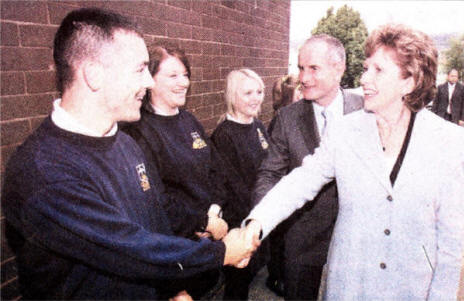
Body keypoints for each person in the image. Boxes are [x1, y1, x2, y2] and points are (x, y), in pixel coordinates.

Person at [1, 8, 256, 300]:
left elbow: (155, 218)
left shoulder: (125, 144)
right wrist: (222, 252)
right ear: (94, 75)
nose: (149, 82)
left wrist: (174, 288)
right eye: (139, 69)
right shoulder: (42, 172)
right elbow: (128, 247)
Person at [244, 24, 464, 300]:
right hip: (349, 288)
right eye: (365, 68)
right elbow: (300, 182)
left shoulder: (449, 142)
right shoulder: (345, 132)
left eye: (378, 70)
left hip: (412, 289)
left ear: (409, 81)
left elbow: (451, 243)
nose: (364, 79)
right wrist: (256, 224)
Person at [122, 46, 243, 298]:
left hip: (208, 248)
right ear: (150, 80)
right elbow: (155, 201)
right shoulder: (139, 131)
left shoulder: (189, 121)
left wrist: (214, 208)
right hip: (175, 260)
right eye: (173, 76)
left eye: (185, 74)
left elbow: (217, 171)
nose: (183, 83)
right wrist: (203, 222)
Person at [252, 34, 363, 300]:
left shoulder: (366, 111)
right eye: (301, 68)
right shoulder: (287, 118)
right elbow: (269, 174)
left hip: (355, 242)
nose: (303, 77)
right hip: (302, 244)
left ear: (339, 69)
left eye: (313, 68)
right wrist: (262, 220)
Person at [211, 69, 269, 300]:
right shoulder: (225, 134)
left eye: (259, 91)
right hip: (240, 221)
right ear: (233, 96)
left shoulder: (258, 126)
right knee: (237, 283)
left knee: (249, 276)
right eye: (248, 93)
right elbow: (231, 185)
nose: (256, 98)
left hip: (258, 215)